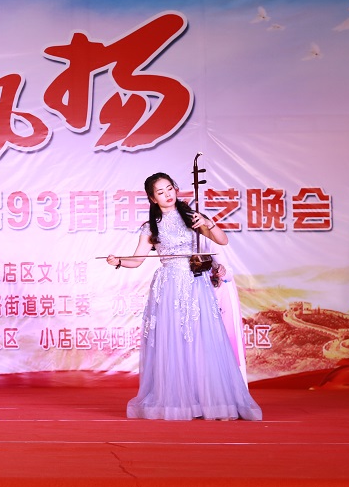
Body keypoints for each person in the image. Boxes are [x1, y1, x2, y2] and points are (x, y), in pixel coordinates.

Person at [107, 172, 261, 421]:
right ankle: (179, 401)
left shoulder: (192, 217)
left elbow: (222, 240)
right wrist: (118, 261)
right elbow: (136, 260)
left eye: (170, 188)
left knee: (202, 340)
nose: (167, 194)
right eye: (160, 192)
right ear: (152, 198)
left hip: (196, 283)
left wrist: (208, 223)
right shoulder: (150, 227)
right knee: (173, 343)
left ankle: (212, 401)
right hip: (168, 287)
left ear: (176, 189)